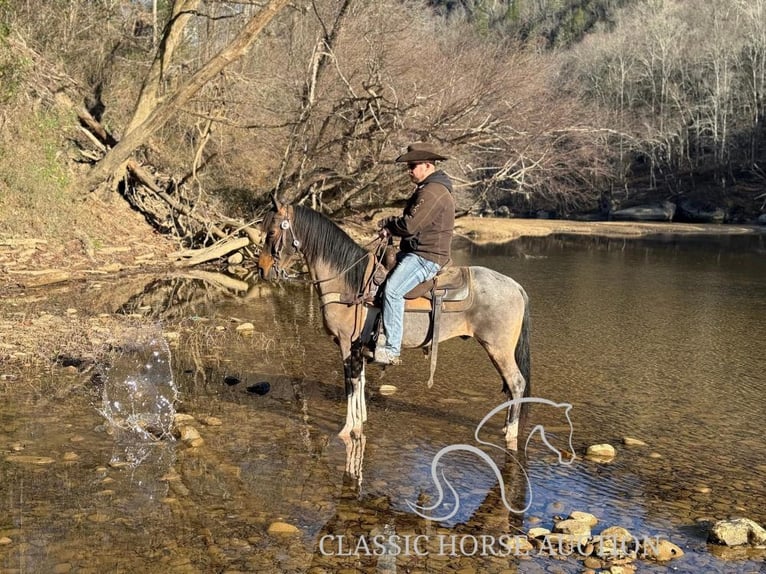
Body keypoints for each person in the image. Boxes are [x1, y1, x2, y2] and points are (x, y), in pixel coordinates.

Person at [373, 142, 455, 365]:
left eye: (413, 166)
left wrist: (390, 224)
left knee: (392, 291)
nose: (409, 170)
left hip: (426, 257)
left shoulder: (433, 191)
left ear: (428, 165)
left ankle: (392, 349)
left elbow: (410, 226)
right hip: (416, 252)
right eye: (408, 166)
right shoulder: (428, 188)